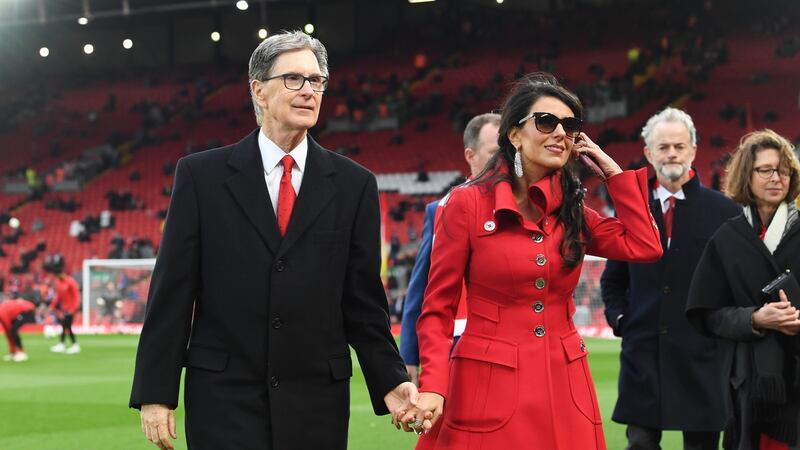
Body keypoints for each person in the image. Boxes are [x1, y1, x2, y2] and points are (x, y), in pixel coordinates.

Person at [129, 30, 416, 450]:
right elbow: (173, 290)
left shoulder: (355, 185)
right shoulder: (200, 177)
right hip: (223, 398)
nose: (308, 91)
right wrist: (156, 391)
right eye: (294, 79)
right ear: (258, 91)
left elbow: (362, 301)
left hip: (316, 400)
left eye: (316, 81)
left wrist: (391, 379)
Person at [399, 72, 663, 449]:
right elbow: (437, 308)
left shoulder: (573, 210)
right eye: (546, 121)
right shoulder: (466, 204)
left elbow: (645, 246)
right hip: (485, 385)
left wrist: (613, 173)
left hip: (566, 383)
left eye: (569, 125)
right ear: (514, 135)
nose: (560, 132)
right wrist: (434, 387)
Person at [600, 107, 741, 450]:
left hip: (703, 356)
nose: (672, 154)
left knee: (702, 446)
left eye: (679, 146)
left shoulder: (725, 211)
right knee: (641, 444)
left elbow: (736, 283)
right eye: (663, 147)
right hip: (643, 354)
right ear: (648, 153)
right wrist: (621, 319)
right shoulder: (632, 208)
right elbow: (613, 280)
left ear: (693, 149)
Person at [687, 129, 800, 450]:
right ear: (746, 176)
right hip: (747, 382)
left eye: (784, 171)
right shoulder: (727, 238)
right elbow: (705, 314)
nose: (776, 178)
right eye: (766, 170)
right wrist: (754, 319)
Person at [399, 112, 500, 385]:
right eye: (494, 152)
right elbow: (421, 286)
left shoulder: (535, 206)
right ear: (470, 155)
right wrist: (409, 354)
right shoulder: (441, 209)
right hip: (457, 347)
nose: (503, 159)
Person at [49, 272, 80, 354]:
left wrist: (73, 309)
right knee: (65, 326)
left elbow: (76, 296)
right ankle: (66, 344)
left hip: (71, 309)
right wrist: (52, 305)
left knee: (66, 326)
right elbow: (58, 297)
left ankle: (72, 345)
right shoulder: (59, 283)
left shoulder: (71, 282)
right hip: (65, 309)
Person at [0, 298, 37, 362]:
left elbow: (9, 331)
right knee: (12, 331)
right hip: (21, 310)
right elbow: (7, 333)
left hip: (28, 310)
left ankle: (22, 352)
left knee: (13, 331)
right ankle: (14, 353)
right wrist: (12, 351)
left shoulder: (2, 314)